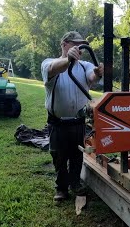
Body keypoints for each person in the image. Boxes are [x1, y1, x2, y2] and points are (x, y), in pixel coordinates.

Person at [41, 31, 104, 202]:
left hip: (78, 121)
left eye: (82, 45)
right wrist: (67, 59)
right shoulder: (49, 63)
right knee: (59, 156)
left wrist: (98, 72)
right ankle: (61, 188)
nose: (80, 48)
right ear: (64, 44)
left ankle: (75, 183)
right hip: (58, 122)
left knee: (77, 155)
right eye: (76, 44)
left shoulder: (84, 66)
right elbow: (53, 69)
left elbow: (92, 75)